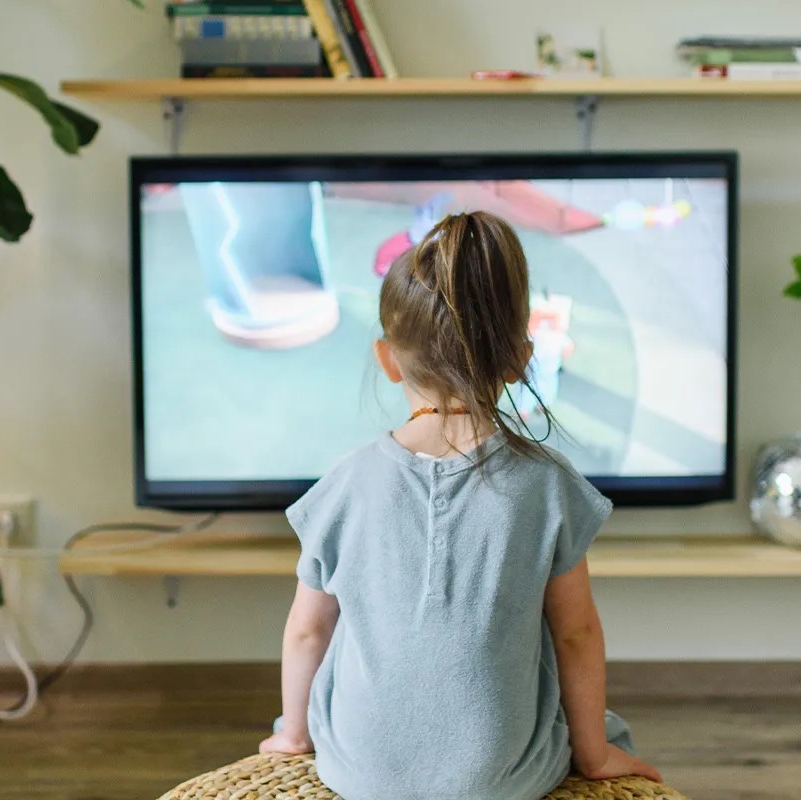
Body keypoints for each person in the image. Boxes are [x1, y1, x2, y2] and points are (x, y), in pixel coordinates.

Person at [259, 211, 661, 800]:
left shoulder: (344, 483)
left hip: (359, 773)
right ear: (522, 358)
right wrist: (594, 756)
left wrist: (293, 735)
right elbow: (576, 634)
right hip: (500, 780)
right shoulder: (546, 484)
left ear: (388, 359)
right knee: (589, 709)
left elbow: (306, 634)